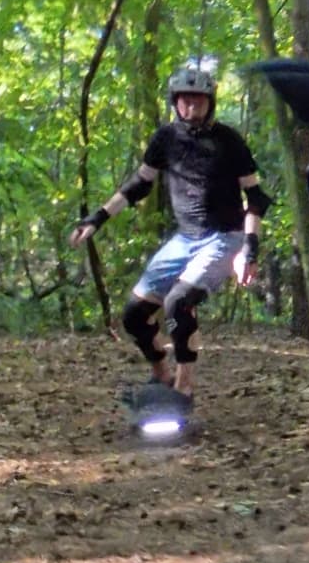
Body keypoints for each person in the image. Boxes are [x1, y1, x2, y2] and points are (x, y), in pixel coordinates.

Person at [72, 62, 269, 399]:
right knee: (134, 315)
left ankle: (184, 386)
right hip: (185, 239)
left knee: (179, 301)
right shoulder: (166, 139)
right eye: (185, 101)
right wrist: (97, 218)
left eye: (199, 101)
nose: (192, 108)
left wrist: (250, 248)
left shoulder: (229, 141)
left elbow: (256, 198)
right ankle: (160, 372)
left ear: (211, 102)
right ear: (175, 102)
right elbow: (139, 185)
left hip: (224, 237)